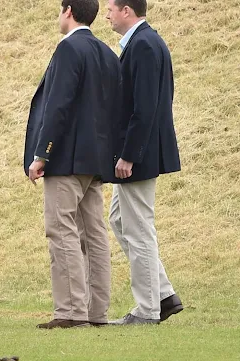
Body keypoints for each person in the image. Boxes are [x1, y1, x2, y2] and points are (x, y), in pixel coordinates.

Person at [24, 0, 121, 329]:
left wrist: (42, 154)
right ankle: (97, 313)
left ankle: (70, 312)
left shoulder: (69, 49)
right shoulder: (107, 53)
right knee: (94, 235)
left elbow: (58, 106)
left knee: (61, 231)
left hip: (65, 159)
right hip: (95, 162)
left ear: (68, 11)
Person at [106, 0, 183, 325]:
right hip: (140, 153)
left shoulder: (144, 45)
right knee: (120, 220)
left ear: (127, 10)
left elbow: (146, 107)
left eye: (111, 7)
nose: (107, 13)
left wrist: (129, 154)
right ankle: (164, 295)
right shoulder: (145, 43)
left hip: (137, 156)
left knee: (139, 230)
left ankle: (147, 310)